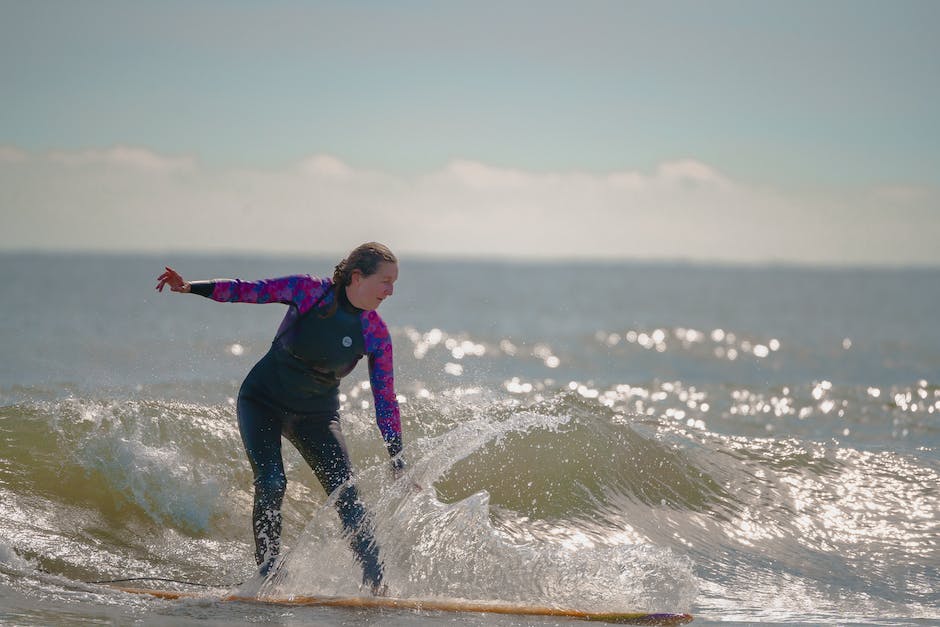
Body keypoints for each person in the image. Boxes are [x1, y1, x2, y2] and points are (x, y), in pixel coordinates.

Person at [156, 242, 403, 593]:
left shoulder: (375, 333)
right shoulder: (309, 292)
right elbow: (249, 291)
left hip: (317, 417)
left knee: (347, 495)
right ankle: (269, 574)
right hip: (263, 401)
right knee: (272, 482)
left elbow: (385, 398)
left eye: (394, 283)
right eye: (386, 281)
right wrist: (190, 287)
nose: (391, 291)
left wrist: (397, 454)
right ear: (357, 276)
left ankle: (377, 584)